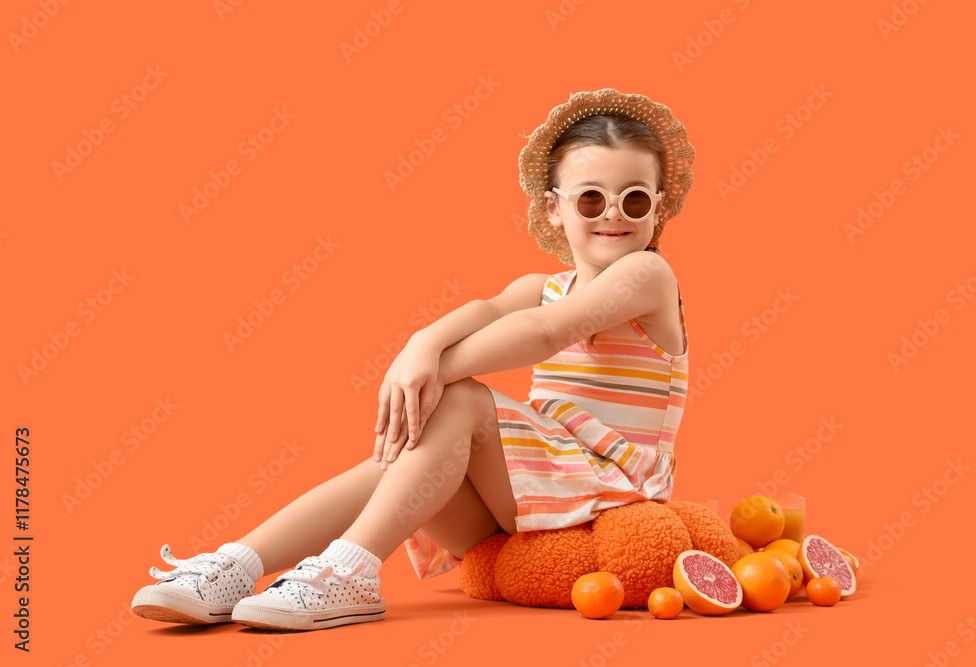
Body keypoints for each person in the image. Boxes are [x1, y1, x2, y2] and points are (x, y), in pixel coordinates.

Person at [130, 87, 696, 632]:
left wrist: (439, 370)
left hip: (615, 489)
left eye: (635, 198)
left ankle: (350, 569)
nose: (613, 215)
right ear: (553, 208)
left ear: (659, 207)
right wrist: (417, 349)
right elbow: (486, 308)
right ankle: (238, 565)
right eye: (592, 197)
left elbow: (545, 331)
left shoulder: (649, 275)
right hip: (540, 493)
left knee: (461, 400)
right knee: (400, 460)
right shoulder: (543, 284)